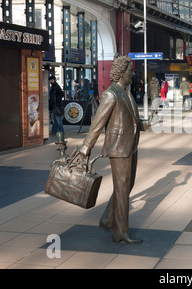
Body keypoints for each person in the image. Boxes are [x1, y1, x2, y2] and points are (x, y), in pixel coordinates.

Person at [77, 56, 144, 244]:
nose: (133, 73)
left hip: (131, 145)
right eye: (130, 70)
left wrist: (142, 125)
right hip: (118, 148)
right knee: (122, 189)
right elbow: (97, 124)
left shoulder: (126, 92)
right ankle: (120, 232)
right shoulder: (111, 94)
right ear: (122, 72)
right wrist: (85, 148)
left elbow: (129, 119)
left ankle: (107, 220)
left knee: (127, 186)